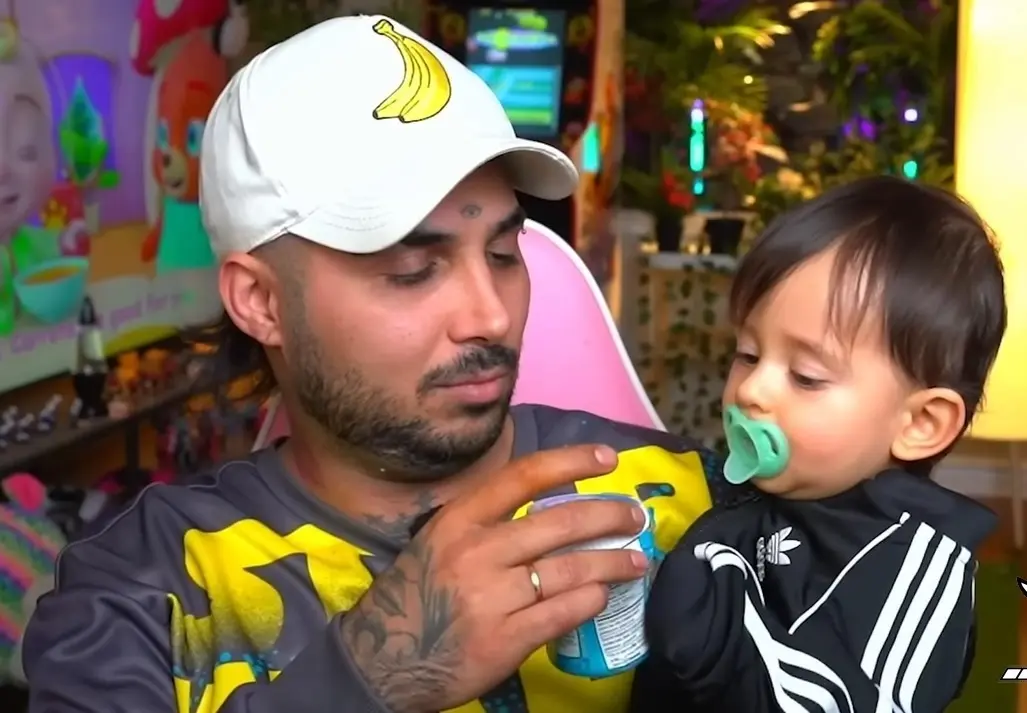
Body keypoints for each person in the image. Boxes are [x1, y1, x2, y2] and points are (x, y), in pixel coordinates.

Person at [23, 15, 718, 713]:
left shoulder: (684, 500)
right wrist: (368, 676)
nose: (491, 316)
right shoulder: (142, 594)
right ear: (261, 302)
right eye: (413, 270)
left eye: (504, 254)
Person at [635, 176, 1005, 712]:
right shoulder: (752, 494)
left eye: (806, 377)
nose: (753, 390)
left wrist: (705, 626)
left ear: (921, 423)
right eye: (747, 354)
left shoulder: (913, 568)